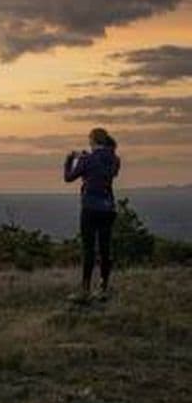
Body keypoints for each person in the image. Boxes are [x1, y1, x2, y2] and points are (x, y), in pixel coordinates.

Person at [64, 128, 120, 302]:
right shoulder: (114, 159)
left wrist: (69, 160)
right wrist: (88, 157)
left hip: (90, 207)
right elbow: (106, 170)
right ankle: (103, 288)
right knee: (105, 249)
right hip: (108, 207)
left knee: (88, 249)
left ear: (93, 140)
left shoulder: (86, 160)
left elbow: (68, 177)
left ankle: (85, 289)